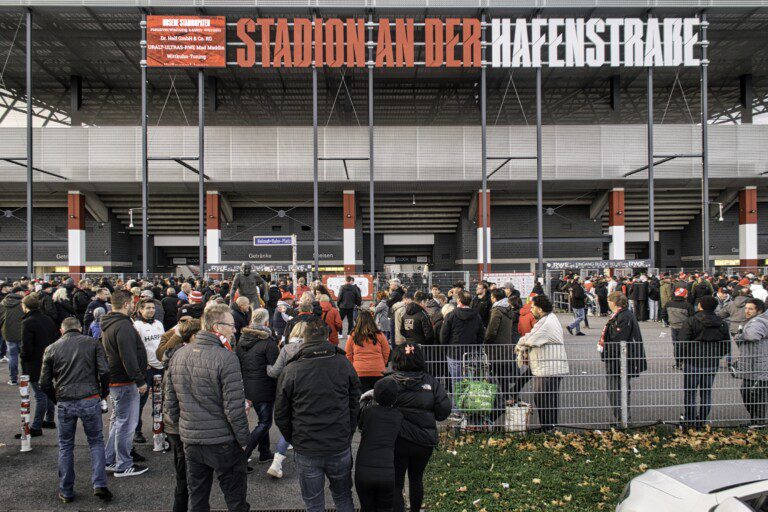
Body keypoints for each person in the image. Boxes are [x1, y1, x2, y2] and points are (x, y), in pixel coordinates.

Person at [165, 303, 251, 512]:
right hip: (223, 441)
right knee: (236, 500)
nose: (235, 329)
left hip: (191, 440)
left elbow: (170, 401)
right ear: (217, 327)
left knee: (198, 498)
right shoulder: (226, 358)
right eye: (231, 325)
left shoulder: (179, 355)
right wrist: (244, 441)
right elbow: (234, 408)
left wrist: (182, 429)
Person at [274, 316, 361, 512]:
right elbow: (354, 402)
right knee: (343, 497)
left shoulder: (292, 369)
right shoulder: (343, 363)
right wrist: (348, 430)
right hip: (337, 442)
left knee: (313, 503)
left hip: (307, 445)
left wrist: (293, 438)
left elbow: (281, 413)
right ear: (328, 336)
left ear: (303, 338)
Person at [39, 317, 112, 504]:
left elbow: (44, 382)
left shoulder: (52, 348)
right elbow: (104, 372)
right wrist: (103, 393)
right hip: (89, 397)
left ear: (62, 330)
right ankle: (99, 484)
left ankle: (66, 490)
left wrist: (56, 398)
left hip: (65, 399)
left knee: (65, 446)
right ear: (80, 328)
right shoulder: (92, 343)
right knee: (96, 442)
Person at [381, 343, 451, 512]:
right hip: (424, 442)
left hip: (397, 440)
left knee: (397, 483)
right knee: (416, 479)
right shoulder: (431, 383)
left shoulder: (388, 382)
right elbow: (443, 412)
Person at [101, 289, 149, 477]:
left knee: (118, 422)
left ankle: (110, 459)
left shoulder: (111, 323)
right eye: (132, 303)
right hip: (125, 381)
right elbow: (128, 356)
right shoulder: (123, 326)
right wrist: (139, 380)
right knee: (126, 424)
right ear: (127, 304)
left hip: (117, 380)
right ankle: (123, 464)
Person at [159, 317, 201, 512]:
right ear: (193, 337)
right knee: (187, 478)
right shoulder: (181, 359)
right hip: (182, 426)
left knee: (185, 477)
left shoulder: (173, 357)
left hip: (178, 426)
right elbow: (171, 398)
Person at [515, 295, 569, 430]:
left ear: (539, 309)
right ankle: (549, 426)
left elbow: (531, 338)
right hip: (549, 366)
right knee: (548, 399)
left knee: (543, 399)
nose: (531, 310)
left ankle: (547, 427)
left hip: (548, 368)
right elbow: (532, 335)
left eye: (533, 308)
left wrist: (519, 344)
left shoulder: (546, 323)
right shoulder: (549, 319)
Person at [236, 308, 280, 467]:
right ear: (267, 322)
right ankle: (244, 454)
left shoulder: (242, 339)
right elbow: (276, 366)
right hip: (265, 386)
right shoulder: (268, 342)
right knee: (265, 422)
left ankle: (265, 452)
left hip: (248, 384)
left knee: (263, 420)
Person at [677, 295, 730, 427]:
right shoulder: (722, 322)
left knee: (690, 392)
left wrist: (680, 359)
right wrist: (717, 356)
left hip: (693, 361)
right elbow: (726, 345)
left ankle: (690, 420)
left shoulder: (691, 321)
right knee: (706, 391)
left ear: (700, 306)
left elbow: (682, 342)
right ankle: (702, 420)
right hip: (712, 362)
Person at [598, 291, 648, 425]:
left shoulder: (623, 317)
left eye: (609, 301)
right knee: (620, 389)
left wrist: (608, 353)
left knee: (616, 389)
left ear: (613, 303)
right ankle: (623, 418)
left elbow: (619, 339)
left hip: (620, 359)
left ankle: (623, 419)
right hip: (620, 358)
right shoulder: (623, 314)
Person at [355, 378, 403, 512]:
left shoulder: (367, 412)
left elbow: (359, 425)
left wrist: (364, 398)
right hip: (386, 473)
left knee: (366, 508)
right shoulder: (398, 416)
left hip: (363, 471)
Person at [18, 293, 59, 437]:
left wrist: (23, 358)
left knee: (40, 395)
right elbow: (55, 339)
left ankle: (36, 426)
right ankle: (49, 419)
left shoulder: (27, 322)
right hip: (48, 360)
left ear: (25, 306)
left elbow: (26, 347)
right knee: (46, 390)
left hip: (34, 362)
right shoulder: (47, 319)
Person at [132, 298, 166, 445]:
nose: (151, 310)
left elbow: (163, 343)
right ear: (140, 310)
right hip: (147, 370)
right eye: (147, 308)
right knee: (140, 402)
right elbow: (135, 349)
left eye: (152, 308)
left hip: (160, 367)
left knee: (159, 401)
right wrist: (142, 365)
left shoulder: (159, 324)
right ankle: (136, 431)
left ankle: (157, 427)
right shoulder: (137, 325)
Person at [734, 298, 768, 427]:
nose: (747, 311)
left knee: (753, 393)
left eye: (751, 309)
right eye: (746, 308)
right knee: (752, 392)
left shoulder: (758, 321)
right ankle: (757, 421)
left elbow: (752, 336)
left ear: (759, 310)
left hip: (758, 365)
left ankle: (758, 422)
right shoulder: (756, 320)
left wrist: (739, 336)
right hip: (756, 364)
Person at [346, 309, 391, 393]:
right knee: (377, 395)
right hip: (378, 370)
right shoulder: (379, 335)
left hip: (359, 371)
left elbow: (348, 354)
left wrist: (353, 365)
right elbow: (386, 351)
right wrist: (383, 363)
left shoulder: (353, 335)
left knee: (361, 396)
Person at [717, 286, 751, 376]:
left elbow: (721, 314)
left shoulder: (731, 304)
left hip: (734, 328)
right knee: (748, 349)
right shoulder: (752, 304)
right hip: (748, 327)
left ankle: (739, 365)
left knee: (742, 348)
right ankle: (740, 366)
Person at [666, 288, 696, 369]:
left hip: (674, 327)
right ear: (684, 295)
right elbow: (692, 317)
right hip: (685, 328)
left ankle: (678, 362)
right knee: (686, 345)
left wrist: (668, 322)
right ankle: (687, 362)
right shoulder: (688, 305)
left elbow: (663, 314)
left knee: (676, 345)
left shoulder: (669, 303)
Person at [0, 287, 24, 385]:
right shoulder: (23, 304)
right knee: (25, 356)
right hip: (22, 333)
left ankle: (13, 379)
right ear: (19, 293)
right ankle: (26, 377)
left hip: (8, 333)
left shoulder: (2, 304)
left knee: (13, 356)